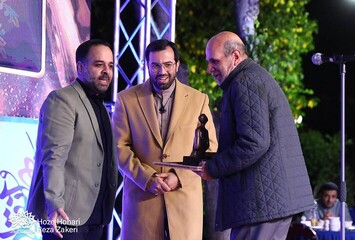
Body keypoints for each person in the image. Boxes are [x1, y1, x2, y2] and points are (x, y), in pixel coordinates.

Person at [199, 31, 314, 240]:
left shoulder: (245, 82)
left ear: (235, 57)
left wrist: (213, 168)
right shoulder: (251, 77)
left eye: (214, 61)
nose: (209, 69)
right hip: (266, 204)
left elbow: (254, 142)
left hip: (260, 205)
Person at [112, 39, 218, 240]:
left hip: (184, 207)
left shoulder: (198, 100)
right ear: (147, 66)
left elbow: (209, 148)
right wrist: (147, 178)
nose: (162, 71)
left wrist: (178, 176)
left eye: (168, 64)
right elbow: (119, 147)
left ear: (177, 65)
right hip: (142, 207)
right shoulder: (126, 99)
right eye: (155, 65)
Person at [27, 39, 118, 240]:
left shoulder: (101, 106)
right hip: (65, 216)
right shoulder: (62, 99)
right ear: (80, 67)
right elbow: (53, 157)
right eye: (99, 64)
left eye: (110, 66)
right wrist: (54, 204)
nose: (106, 71)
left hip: (95, 215)